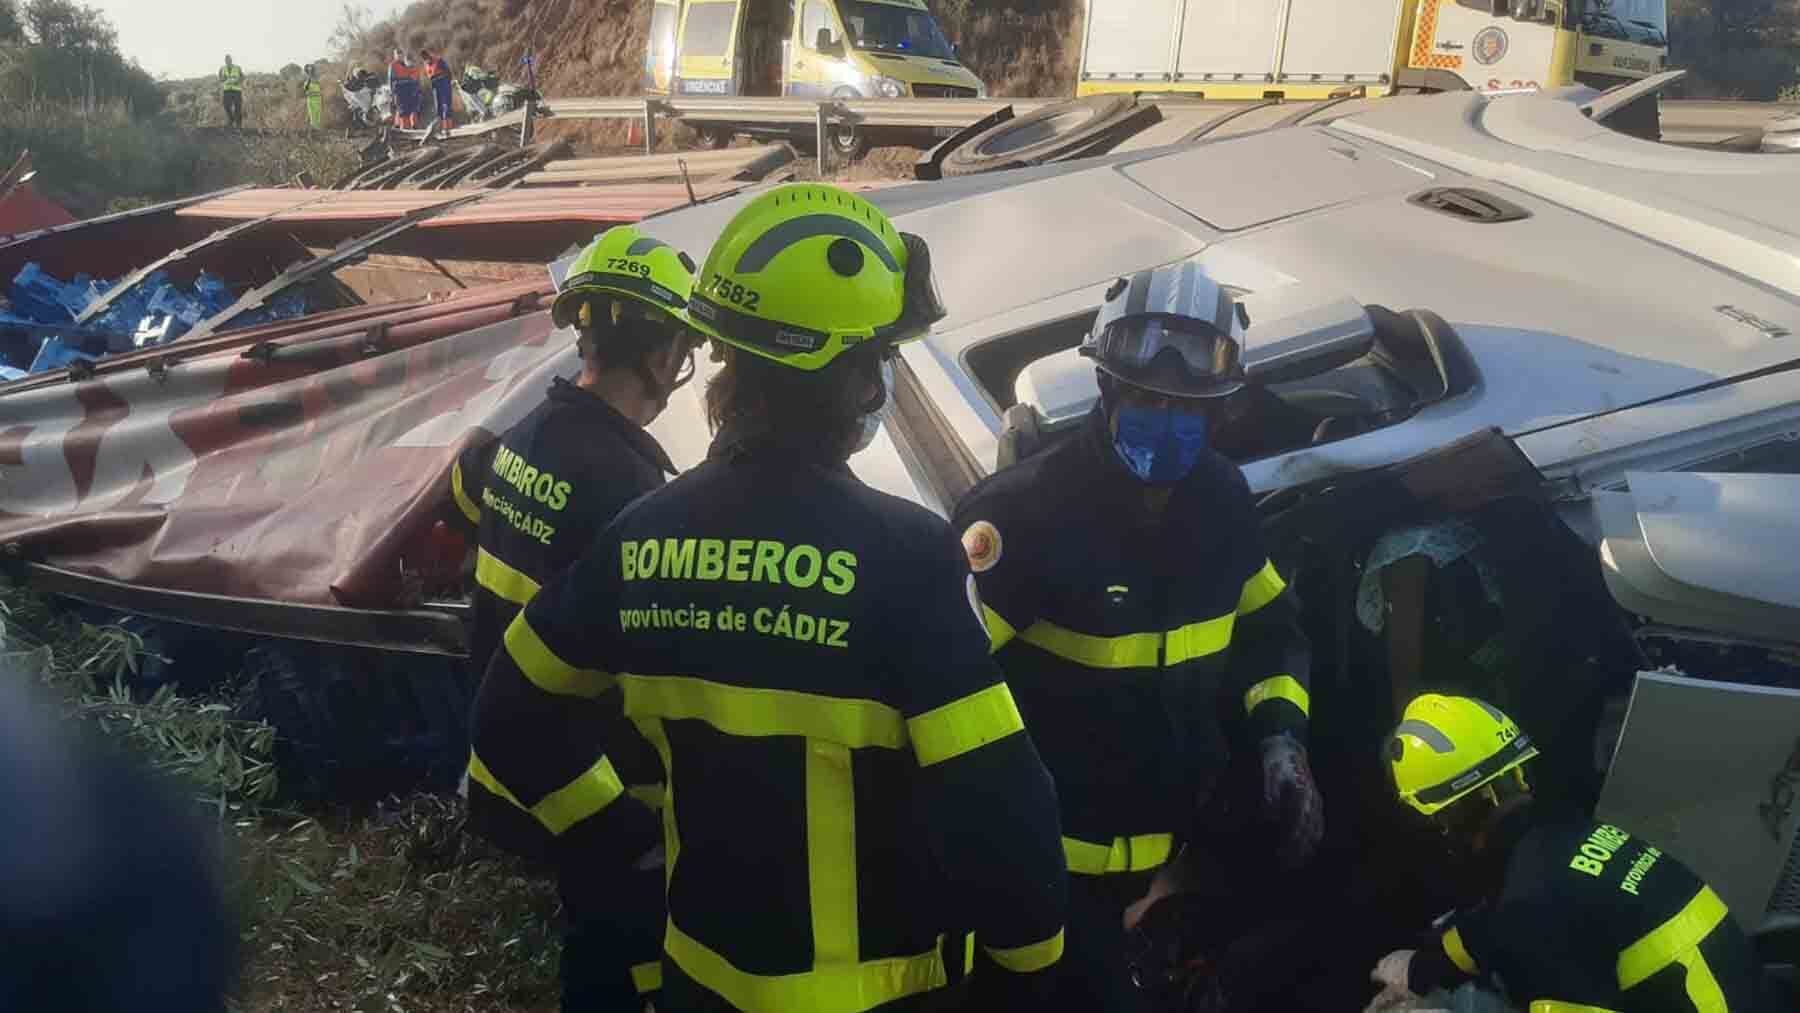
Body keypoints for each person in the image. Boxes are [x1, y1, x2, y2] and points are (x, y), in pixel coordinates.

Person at [470, 182, 1068, 1012]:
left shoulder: (640, 536)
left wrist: (618, 838)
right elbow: (1005, 805)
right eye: (882, 356)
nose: (885, 377)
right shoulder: (908, 558)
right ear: (852, 377)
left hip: (698, 985)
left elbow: (507, 715)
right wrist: (1029, 969)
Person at [953, 259, 1322, 1011]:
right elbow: (935, 686)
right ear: (1106, 388)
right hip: (1045, 882)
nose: (1166, 417)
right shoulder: (1022, 519)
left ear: (1221, 411)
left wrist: (1283, 738)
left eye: (1188, 403)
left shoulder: (1223, 501)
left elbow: (1270, 630)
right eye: (1147, 397)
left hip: (1177, 872)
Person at [453, 225, 702, 1011]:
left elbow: (470, 504)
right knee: (621, 960)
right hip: (584, 786)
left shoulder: (525, 436)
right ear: (663, 356)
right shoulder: (631, 493)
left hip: (502, 763)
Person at [1371, 694, 1759, 1012]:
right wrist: (1422, 968)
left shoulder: (1533, 899)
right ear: (1516, 773)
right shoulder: (1559, 841)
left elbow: (1526, 922)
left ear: (1448, 820)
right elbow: (1494, 927)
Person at [422, 48, 454, 127]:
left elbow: (448, 71)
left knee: (446, 104)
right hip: (435, 86)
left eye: (427, 59)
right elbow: (429, 76)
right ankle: (441, 126)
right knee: (438, 106)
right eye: (425, 60)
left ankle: (448, 126)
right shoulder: (425, 65)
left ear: (429, 56)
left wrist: (449, 81)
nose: (427, 61)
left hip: (444, 83)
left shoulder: (439, 60)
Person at [389, 49, 420, 129]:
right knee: (401, 109)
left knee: (408, 108)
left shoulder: (405, 64)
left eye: (400, 54)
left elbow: (412, 77)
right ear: (395, 55)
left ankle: (410, 127)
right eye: (397, 54)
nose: (399, 56)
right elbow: (390, 79)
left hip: (407, 89)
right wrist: (392, 92)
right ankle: (402, 127)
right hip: (398, 89)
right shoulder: (392, 65)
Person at [218, 55, 244, 128]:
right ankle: (231, 119)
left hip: (236, 90)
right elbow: (220, 79)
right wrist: (223, 79)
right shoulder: (222, 69)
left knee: (238, 107)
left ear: (231, 60)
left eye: (229, 60)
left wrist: (238, 81)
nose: (228, 61)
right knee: (226, 105)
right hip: (227, 90)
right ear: (225, 61)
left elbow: (242, 77)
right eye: (226, 60)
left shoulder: (237, 68)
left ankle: (239, 124)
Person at [301, 64, 323, 130]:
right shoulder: (307, 81)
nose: (310, 71)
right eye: (308, 70)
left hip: (318, 98)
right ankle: (314, 128)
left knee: (318, 114)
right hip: (311, 99)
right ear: (307, 71)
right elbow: (305, 89)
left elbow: (320, 88)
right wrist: (309, 79)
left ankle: (317, 128)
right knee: (312, 115)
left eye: (311, 69)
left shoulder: (316, 80)